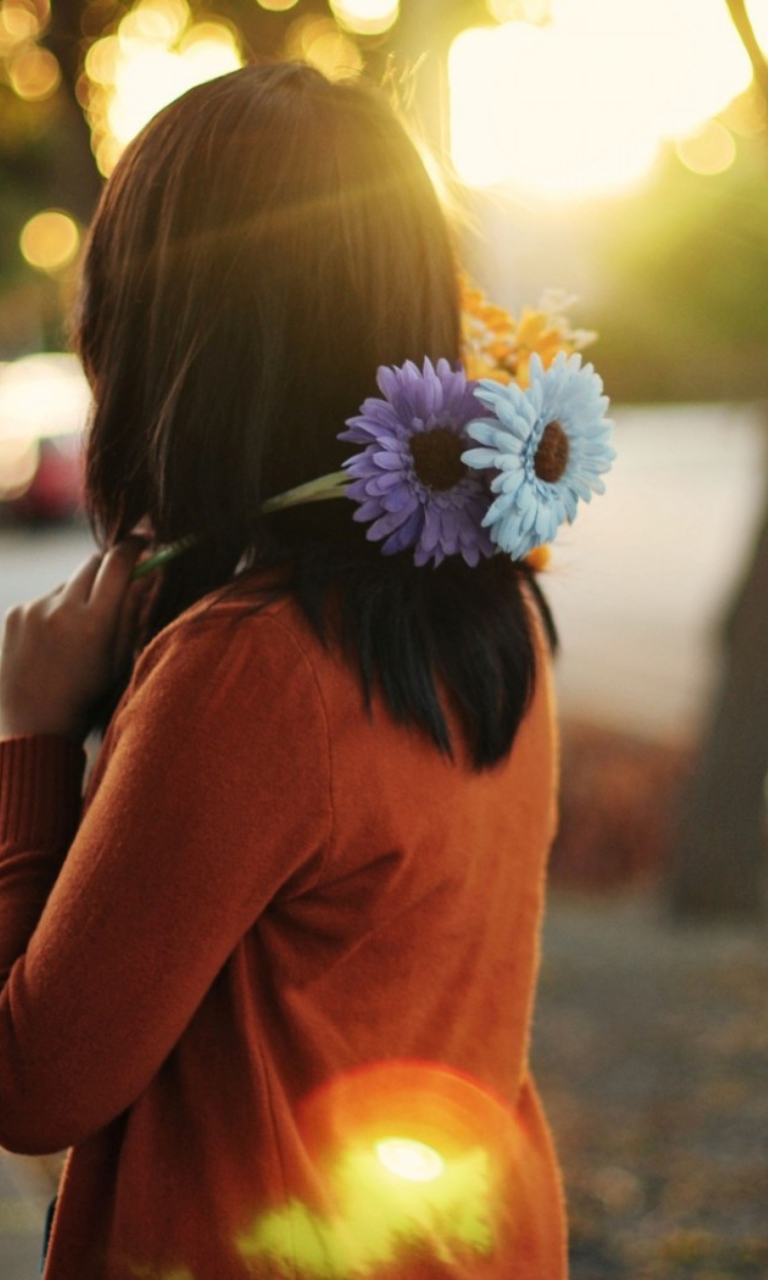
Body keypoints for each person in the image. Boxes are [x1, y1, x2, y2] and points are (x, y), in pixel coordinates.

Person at [0, 61, 611, 1280]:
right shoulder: (498, 603)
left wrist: (28, 730)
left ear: (161, 325)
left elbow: (32, 1081)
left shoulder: (255, 665)